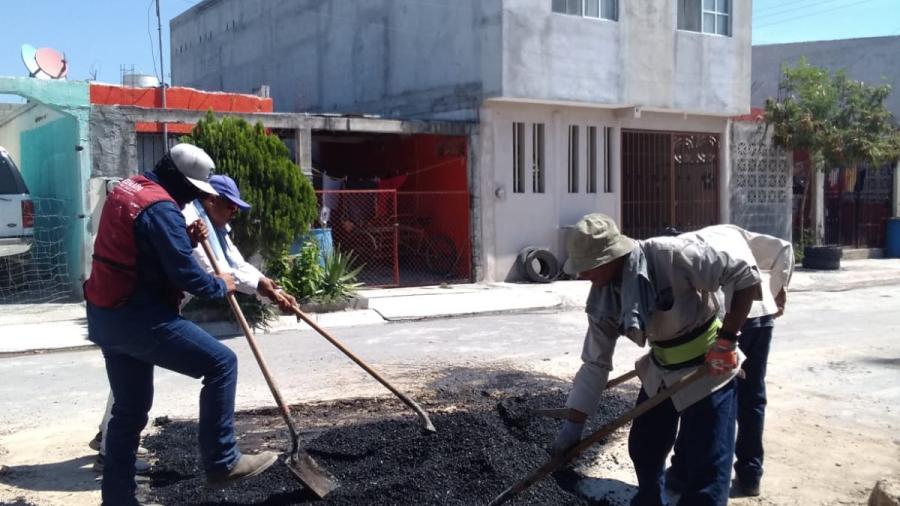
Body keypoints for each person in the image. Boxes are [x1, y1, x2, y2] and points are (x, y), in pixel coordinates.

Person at [84, 144, 278, 506]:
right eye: (193, 188)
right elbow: (187, 275)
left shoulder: (129, 189)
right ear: (176, 177)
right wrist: (223, 285)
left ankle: (118, 500)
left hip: (106, 315)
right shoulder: (161, 207)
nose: (195, 197)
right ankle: (223, 461)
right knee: (221, 364)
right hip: (139, 317)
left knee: (130, 409)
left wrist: (183, 239)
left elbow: (140, 248)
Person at [551, 214, 763, 506]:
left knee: (708, 467)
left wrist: (727, 339)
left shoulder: (672, 256)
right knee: (644, 447)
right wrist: (572, 429)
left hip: (708, 366)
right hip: (662, 366)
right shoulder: (603, 298)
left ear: (609, 258)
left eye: (587, 268)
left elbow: (745, 275)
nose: (581, 276)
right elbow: (594, 364)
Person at [666, 225, 794, 498]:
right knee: (752, 398)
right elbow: (783, 248)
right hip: (760, 315)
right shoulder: (728, 232)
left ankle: (681, 473)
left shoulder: (682, 254)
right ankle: (750, 475)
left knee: (700, 394)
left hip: (728, 320)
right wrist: (779, 288)